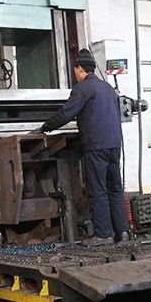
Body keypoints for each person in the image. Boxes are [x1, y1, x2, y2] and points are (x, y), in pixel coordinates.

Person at [38, 49, 130, 245]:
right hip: (115, 144)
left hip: (96, 146)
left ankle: (103, 235)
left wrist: (44, 128)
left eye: (75, 71)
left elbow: (66, 113)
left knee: (98, 190)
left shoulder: (83, 88)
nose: (75, 75)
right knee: (115, 189)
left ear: (79, 69)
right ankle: (122, 233)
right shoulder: (108, 88)